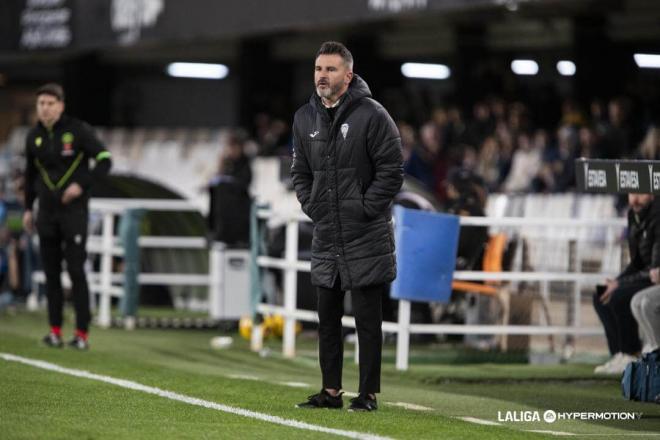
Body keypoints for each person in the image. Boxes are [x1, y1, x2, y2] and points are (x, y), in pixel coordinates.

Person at [291, 41, 403, 411]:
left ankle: (367, 394)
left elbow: (391, 170)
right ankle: (331, 391)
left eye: (331, 69)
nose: (322, 75)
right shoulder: (303, 118)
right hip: (327, 233)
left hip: (365, 233)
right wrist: (315, 208)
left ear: (348, 75)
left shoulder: (373, 115)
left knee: (368, 320)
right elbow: (300, 174)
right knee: (327, 320)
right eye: (318, 69)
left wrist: (365, 209)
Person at [23, 83, 112, 350]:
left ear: (61, 105)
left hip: (74, 213)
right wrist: (29, 208)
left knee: (76, 271)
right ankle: (54, 331)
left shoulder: (78, 131)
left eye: (50, 104)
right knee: (50, 273)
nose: (45, 109)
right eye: (41, 104)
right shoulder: (33, 137)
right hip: (46, 214)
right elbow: (30, 176)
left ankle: (82, 334)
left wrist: (80, 185)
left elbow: (105, 160)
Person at [593, 193, 660, 374]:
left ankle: (631, 353)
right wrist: (617, 281)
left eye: (640, 194)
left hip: (653, 278)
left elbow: (654, 267)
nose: (635, 200)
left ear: (652, 194)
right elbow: (637, 262)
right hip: (644, 276)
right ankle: (619, 354)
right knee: (599, 294)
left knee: (619, 296)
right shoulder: (633, 216)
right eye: (632, 194)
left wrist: (620, 285)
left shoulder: (657, 215)